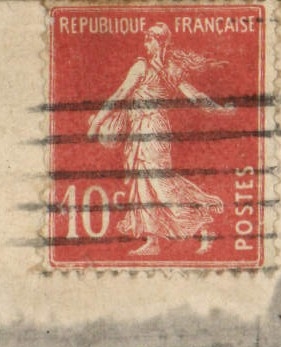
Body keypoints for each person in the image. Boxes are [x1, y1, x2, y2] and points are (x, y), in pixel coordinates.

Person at [87, 21, 231, 257]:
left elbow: (121, 95)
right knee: (144, 183)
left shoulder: (152, 68)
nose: (146, 44)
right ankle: (152, 241)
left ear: (160, 42)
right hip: (140, 131)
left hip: (152, 129)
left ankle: (203, 220)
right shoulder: (154, 67)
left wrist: (96, 123)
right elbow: (121, 95)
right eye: (146, 40)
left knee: (160, 184)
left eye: (149, 40)